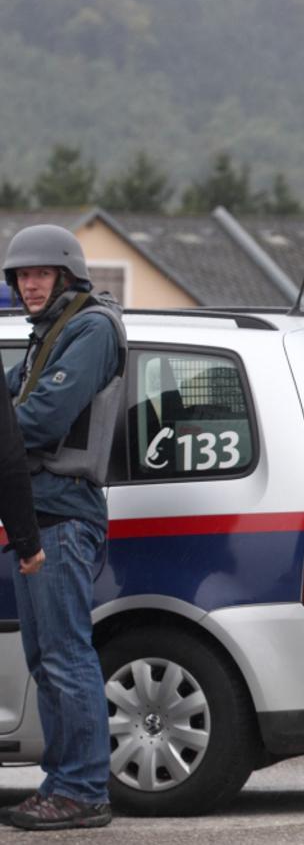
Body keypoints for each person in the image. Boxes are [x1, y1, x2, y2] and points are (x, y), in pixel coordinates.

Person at [1, 225, 126, 831]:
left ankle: (81, 789)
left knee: (65, 653)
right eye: (21, 275)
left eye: (40, 274)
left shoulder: (91, 329)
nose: (28, 283)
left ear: (66, 276)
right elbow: (9, 405)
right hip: (37, 512)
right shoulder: (46, 336)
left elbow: (42, 417)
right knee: (44, 654)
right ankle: (61, 784)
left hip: (63, 513)